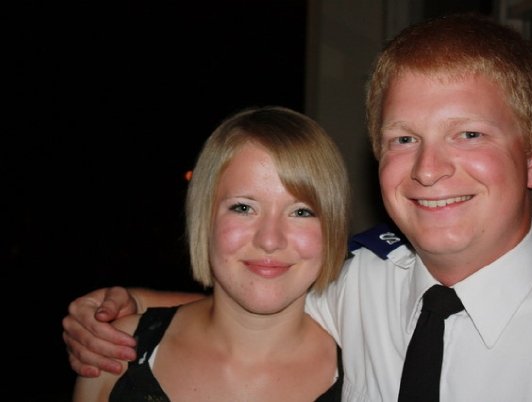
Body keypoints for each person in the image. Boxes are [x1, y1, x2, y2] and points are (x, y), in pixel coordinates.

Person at [64, 13, 532, 401]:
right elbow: (259, 293)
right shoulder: (364, 276)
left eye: (468, 134)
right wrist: (127, 305)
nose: (428, 169)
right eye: (403, 139)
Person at [70, 105, 350, 401]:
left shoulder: (368, 368)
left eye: (301, 212)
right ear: (205, 217)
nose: (270, 240)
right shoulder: (113, 352)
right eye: (243, 208)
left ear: (332, 228)